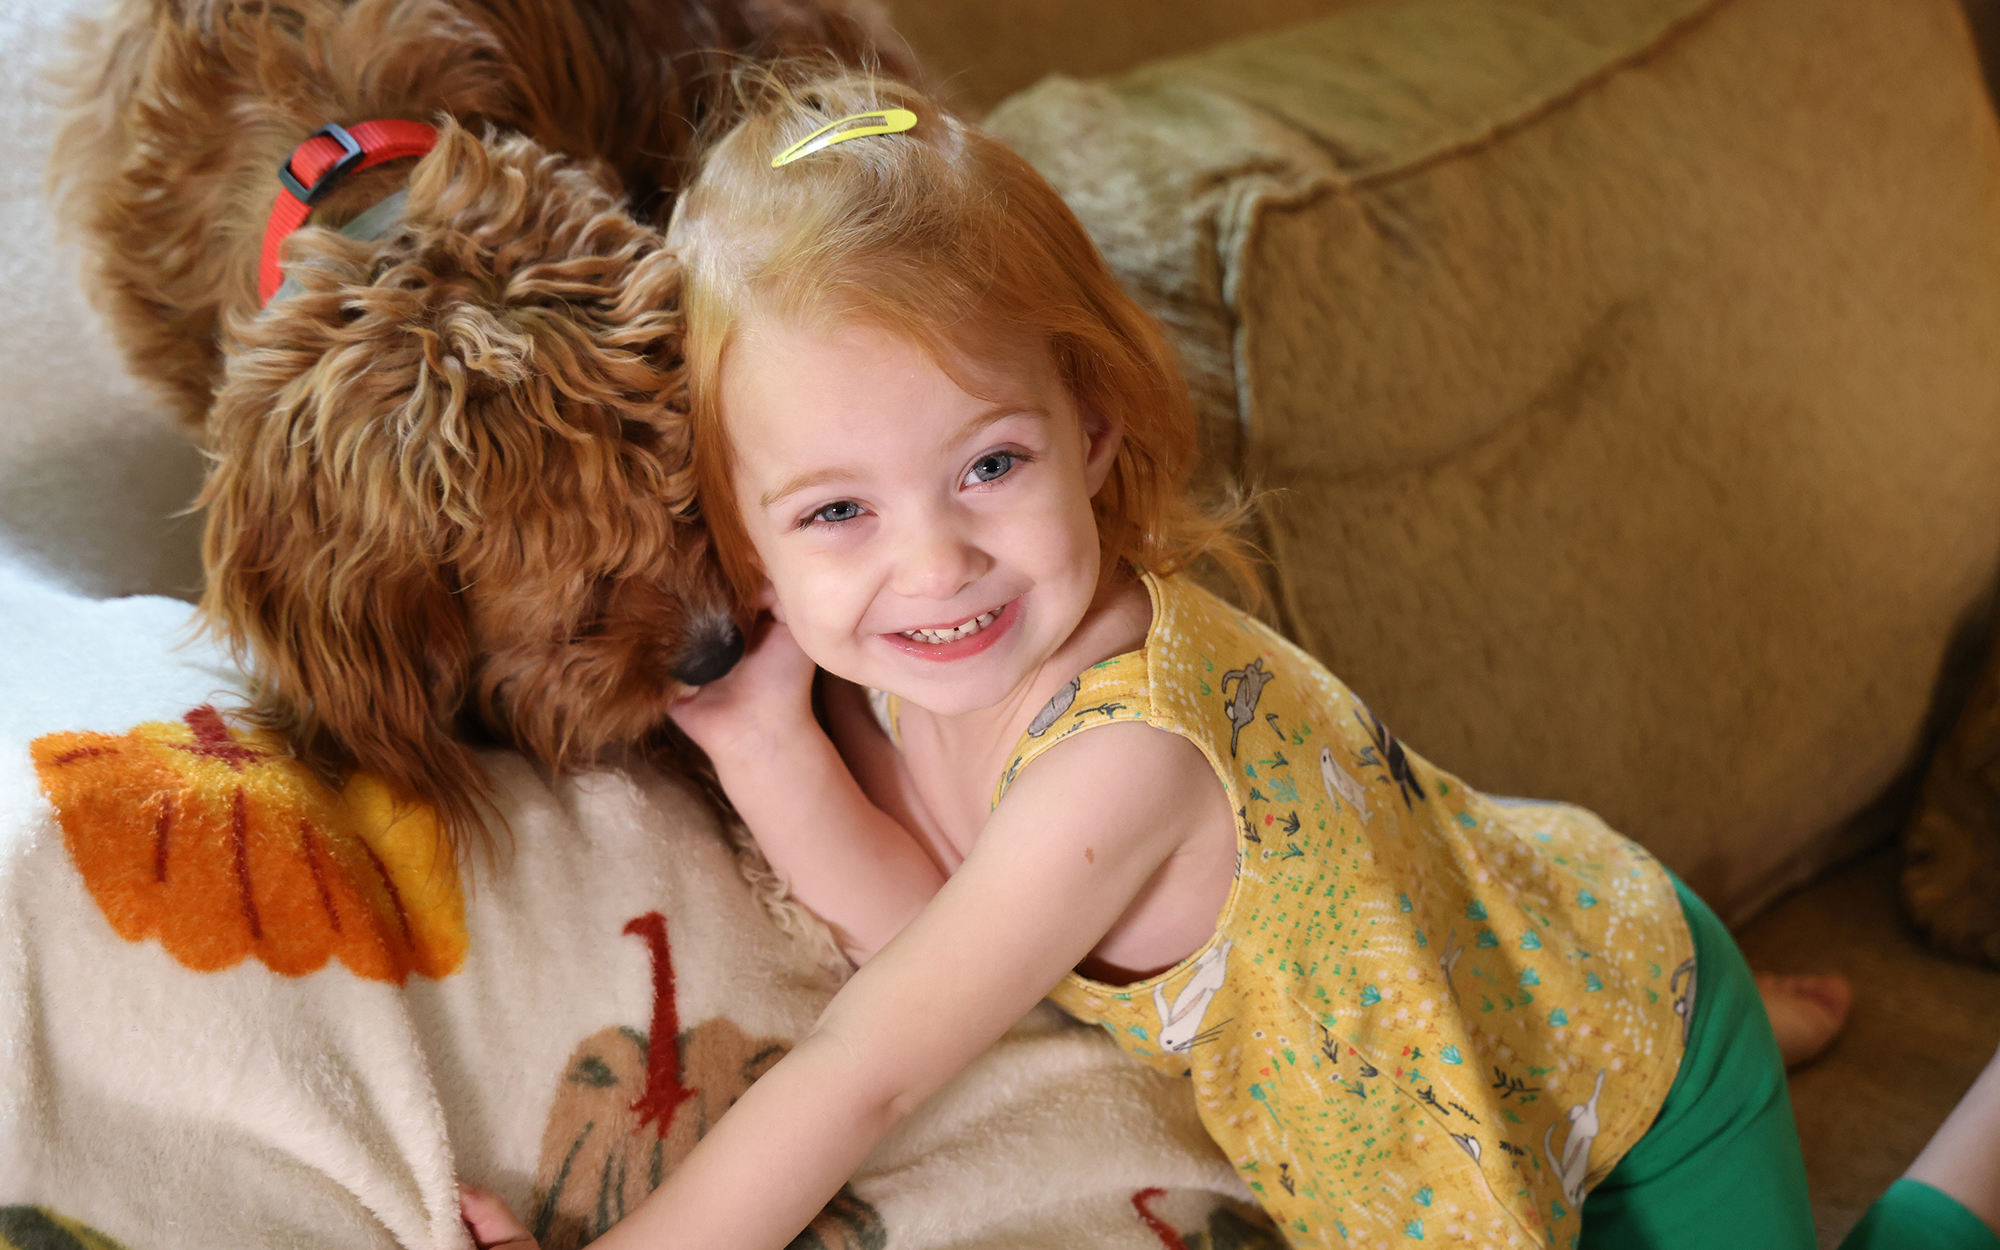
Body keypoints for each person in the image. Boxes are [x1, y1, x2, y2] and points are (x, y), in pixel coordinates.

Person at [459, 70, 1997, 1250]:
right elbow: (941, 941)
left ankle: (1950, 1138)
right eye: (840, 510)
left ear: (1093, 428)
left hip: (1637, 1054)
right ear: (751, 543)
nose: (933, 562)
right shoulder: (923, 660)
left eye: (991, 465)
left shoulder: (1122, 757)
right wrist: (762, 741)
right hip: (1493, 930)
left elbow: (871, 1058)